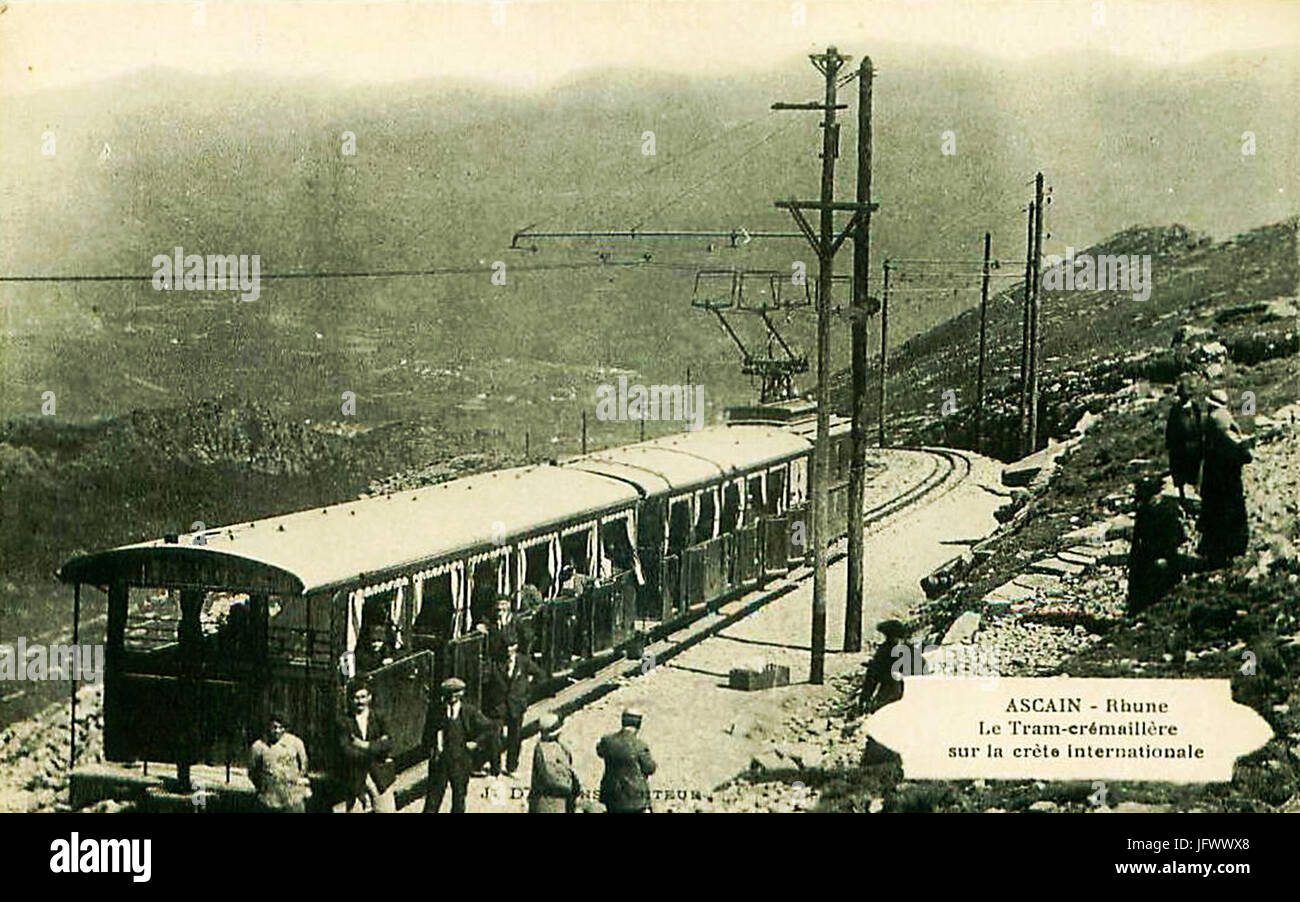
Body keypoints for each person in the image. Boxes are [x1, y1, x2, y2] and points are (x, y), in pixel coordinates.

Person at [1198, 389, 1254, 567]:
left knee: (1214, 516)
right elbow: (1241, 453)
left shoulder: (1210, 422)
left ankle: (1215, 552)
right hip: (1228, 481)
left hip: (1213, 479)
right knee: (1229, 514)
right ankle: (1230, 551)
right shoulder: (1223, 421)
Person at [423, 677, 494, 813]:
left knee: (459, 799)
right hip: (440, 762)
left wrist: (476, 743)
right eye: (449, 693)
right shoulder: (436, 712)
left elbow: (490, 728)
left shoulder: (469, 712)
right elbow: (426, 735)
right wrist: (432, 751)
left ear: (462, 693)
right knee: (433, 800)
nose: (452, 697)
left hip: (460, 762)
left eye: (456, 693)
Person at [483, 639, 548, 775]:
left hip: (516, 706)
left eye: (511, 646)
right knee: (495, 738)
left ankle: (512, 767)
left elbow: (540, 674)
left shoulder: (523, 662)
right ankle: (495, 769)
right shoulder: (495, 663)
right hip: (498, 707)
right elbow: (485, 681)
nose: (508, 650)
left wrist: (527, 693)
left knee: (515, 738)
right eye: (506, 647)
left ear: (516, 647)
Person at [1127, 475, 1187, 614]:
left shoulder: (1168, 510)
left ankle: (1160, 609)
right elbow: (1137, 538)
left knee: (1160, 571)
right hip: (1146, 555)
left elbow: (1178, 537)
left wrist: (1163, 555)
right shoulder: (1143, 511)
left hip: (1164, 557)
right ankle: (1136, 610)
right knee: (1137, 574)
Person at [336, 682, 396, 813]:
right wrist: (376, 748)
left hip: (380, 776)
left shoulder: (379, 717)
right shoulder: (344, 721)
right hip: (356, 776)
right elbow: (346, 750)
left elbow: (389, 743)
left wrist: (365, 745)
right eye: (356, 698)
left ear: (370, 697)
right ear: (350, 699)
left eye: (363, 697)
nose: (360, 701)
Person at [596, 708, 656, 813]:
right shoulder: (640, 745)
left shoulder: (607, 741)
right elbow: (649, 768)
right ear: (638, 724)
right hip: (635, 799)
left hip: (611, 796)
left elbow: (600, 752)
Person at [248, 714, 311, 813]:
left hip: (293, 797)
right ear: (268, 727)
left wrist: (296, 781)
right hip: (270, 797)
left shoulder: (296, 743)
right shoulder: (259, 746)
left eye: (281, 727)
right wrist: (263, 787)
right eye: (274, 727)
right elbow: (253, 771)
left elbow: (304, 765)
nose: (277, 731)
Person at [529, 712, 581, 813]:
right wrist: (570, 788)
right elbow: (550, 778)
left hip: (560, 800)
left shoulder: (558, 746)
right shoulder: (544, 750)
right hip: (550, 802)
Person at [858, 619, 909, 714]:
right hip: (906, 695)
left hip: (888, 692)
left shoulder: (884, 651)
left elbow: (873, 676)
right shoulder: (909, 651)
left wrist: (865, 698)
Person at [1164, 381, 1203, 500]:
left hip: (1194, 447)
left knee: (1195, 473)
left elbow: (1200, 426)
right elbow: (1170, 429)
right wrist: (1170, 445)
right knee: (1180, 474)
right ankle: (1182, 497)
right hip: (1180, 448)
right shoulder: (1175, 410)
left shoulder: (1195, 408)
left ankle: (1198, 496)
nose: (1184, 398)